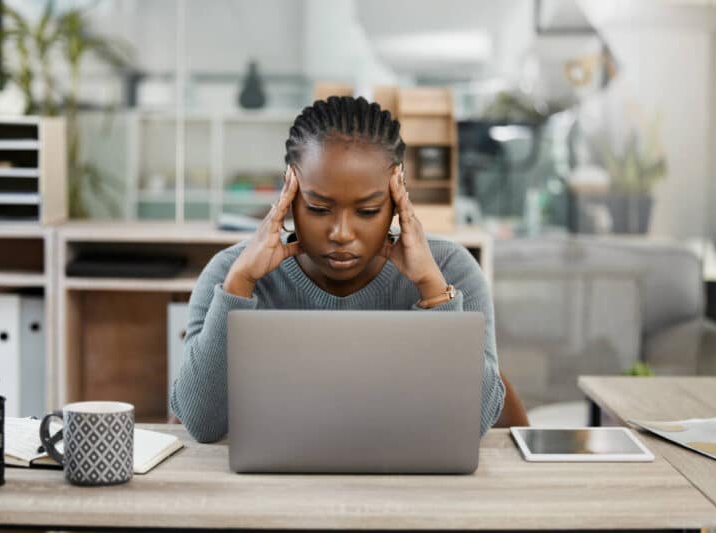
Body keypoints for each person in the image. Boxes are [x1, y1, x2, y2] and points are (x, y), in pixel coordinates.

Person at [170, 96, 527, 443]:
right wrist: (240, 284)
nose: (341, 233)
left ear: (397, 197)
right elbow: (200, 423)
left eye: (368, 211)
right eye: (318, 208)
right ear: (290, 193)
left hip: (410, 480)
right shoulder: (231, 272)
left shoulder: (450, 269)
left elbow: (476, 424)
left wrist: (432, 289)